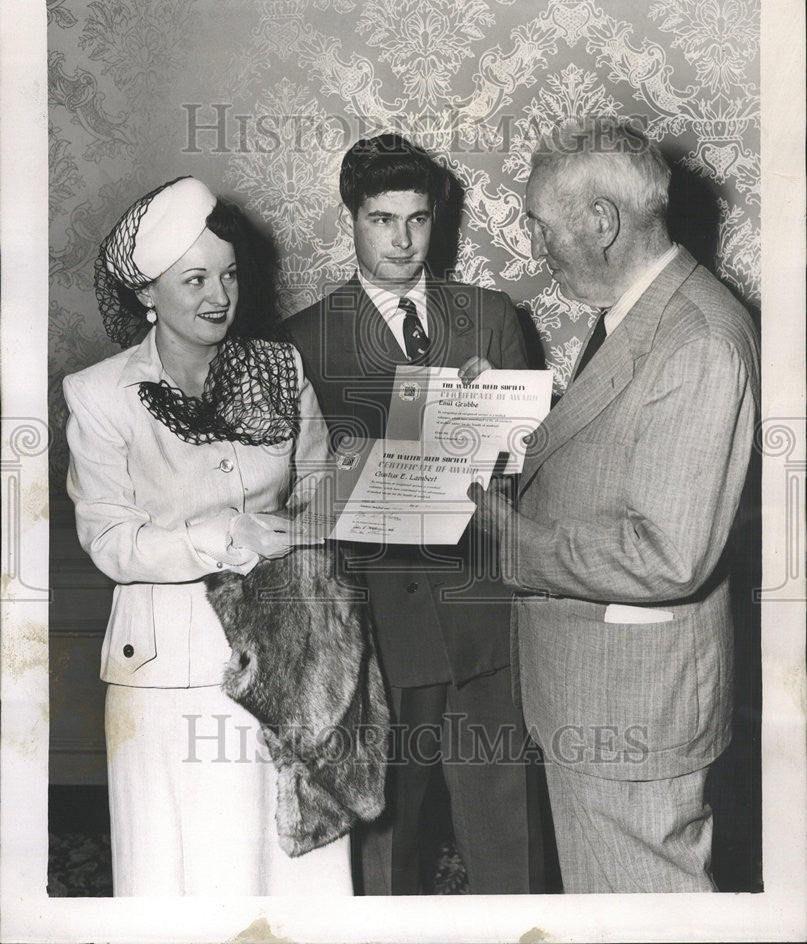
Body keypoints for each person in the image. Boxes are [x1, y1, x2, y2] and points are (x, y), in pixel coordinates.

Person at [471, 118, 760, 893]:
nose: (536, 246)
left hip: (630, 714)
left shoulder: (696, 338)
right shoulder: (639, 314)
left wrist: (512, 543)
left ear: (601, 222)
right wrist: (509, 416)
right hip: (601, 702)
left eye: (540, 223)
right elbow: (619, 453)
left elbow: (667, 552)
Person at [63, 176, 353, 896]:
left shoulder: (278, 368)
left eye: (227, 274)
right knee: (188, 873)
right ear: (145, 295)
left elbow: (315, 481)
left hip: (287, 659)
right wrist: (229, 535)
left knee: (292, 871)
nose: (217, 296)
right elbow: (110, 541)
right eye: (193, 280)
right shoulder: (99, 395)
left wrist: (349, 495)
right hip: (168, 679)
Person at [284, 133, 547, 895]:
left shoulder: (492, 318)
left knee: (509, 835)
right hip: (380, 622)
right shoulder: (303, 339)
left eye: (418, 219)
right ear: (351, 220)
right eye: (381, 219)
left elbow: (533, 465)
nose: (402, 240)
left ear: (438, 221)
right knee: (385, 836)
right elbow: (297, 493)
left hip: (484, 613)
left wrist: (495, 411)